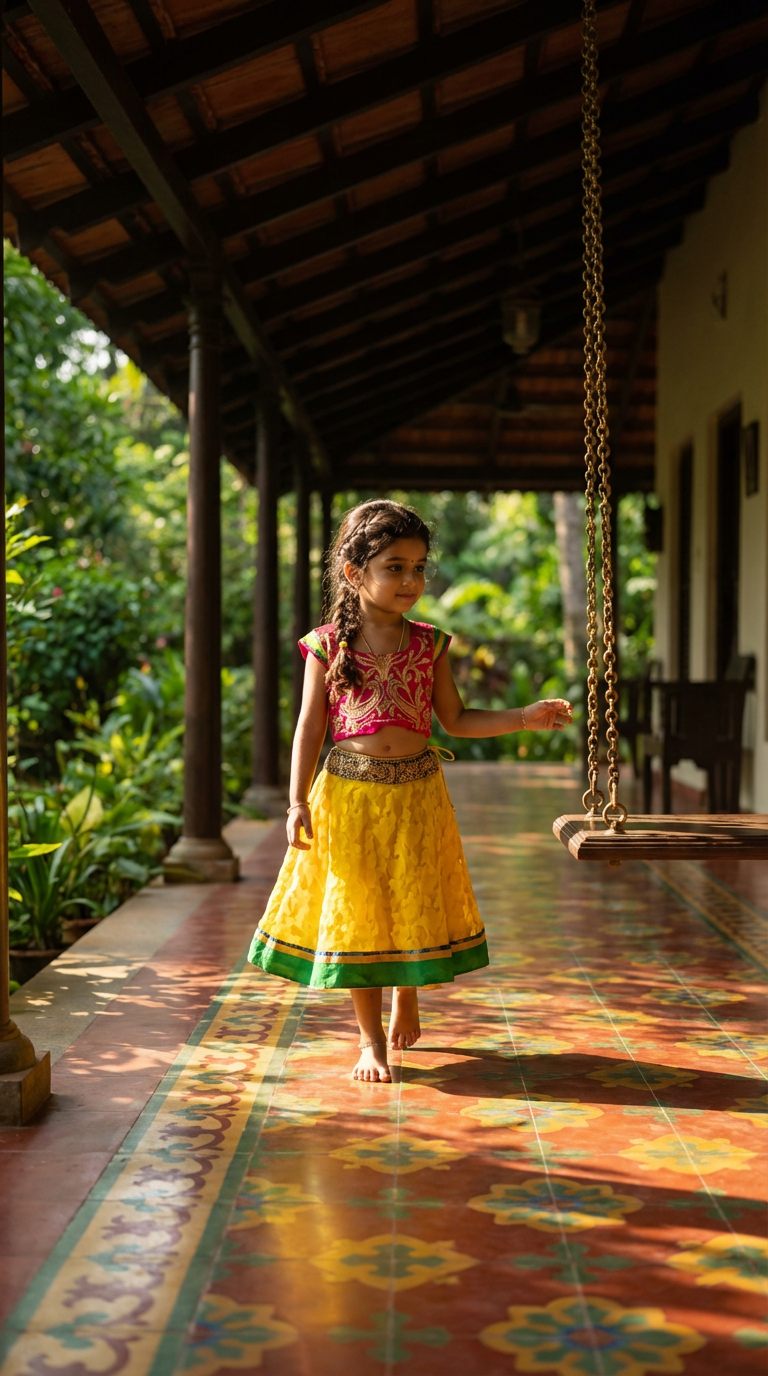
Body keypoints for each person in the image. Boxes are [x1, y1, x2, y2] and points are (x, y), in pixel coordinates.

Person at [248, 499, 572, 1083]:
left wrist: (525, 716)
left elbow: (456, 719)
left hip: (418, 794)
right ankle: (370, 1041)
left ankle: (409, 991)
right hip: (349, 796)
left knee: (411, 895)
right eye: (395, 566)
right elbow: (309, 727)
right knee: (363, 912)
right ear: (355, 573)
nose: (410, 580)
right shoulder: (326, 646)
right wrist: (296, 801)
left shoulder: (429, 643)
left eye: (419, 567)